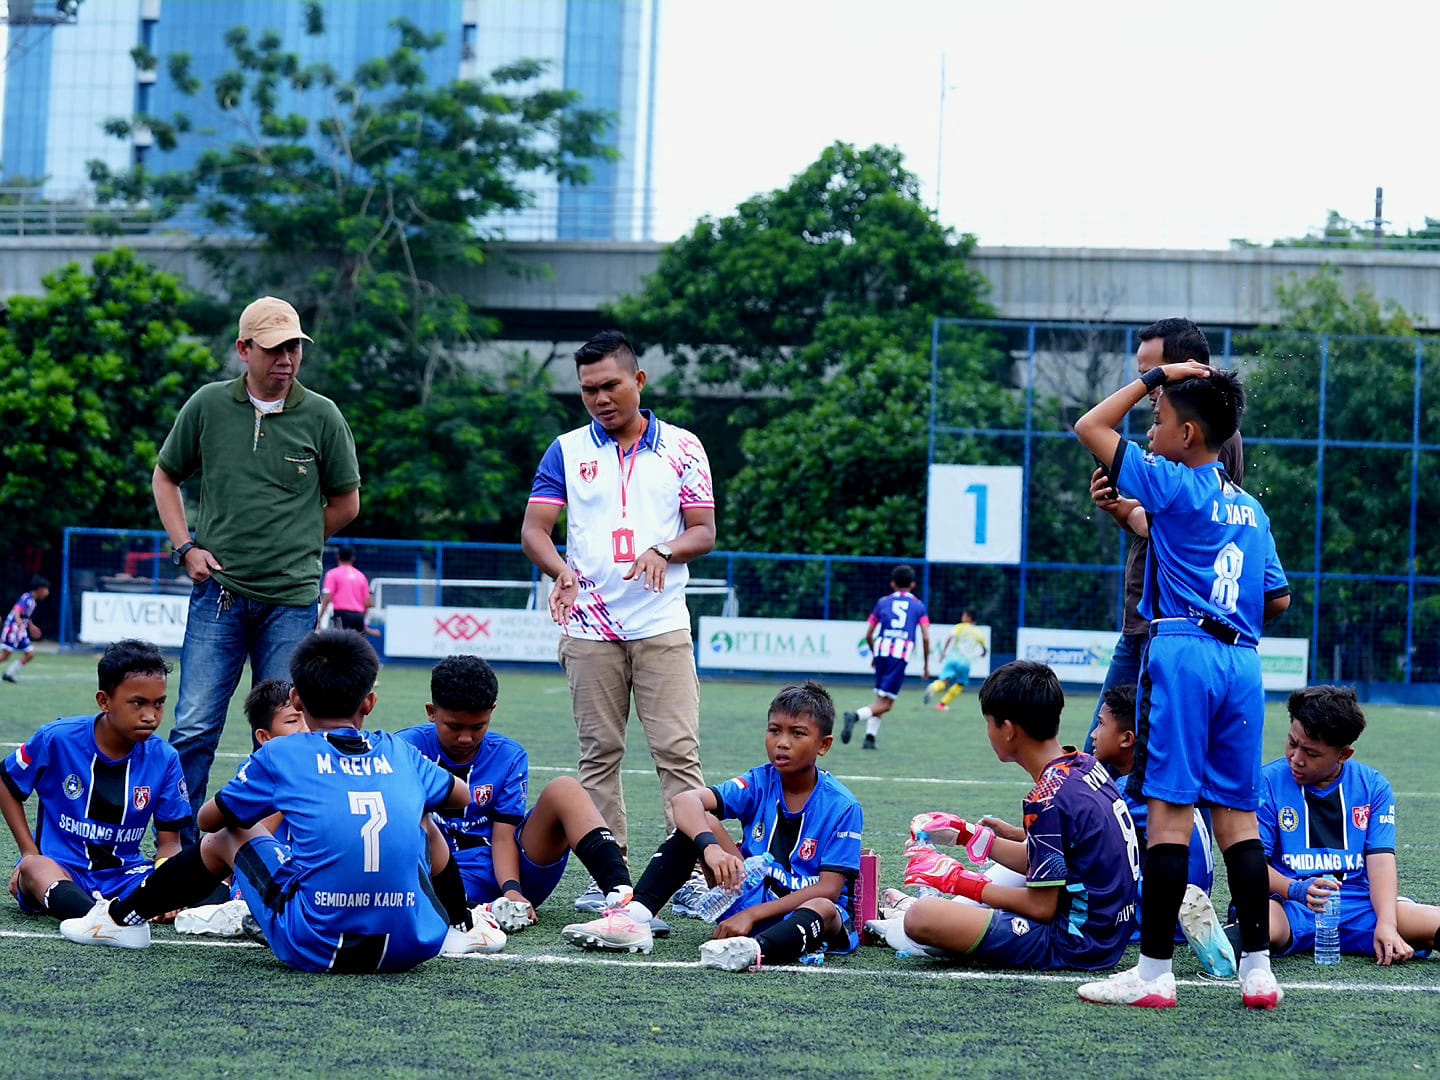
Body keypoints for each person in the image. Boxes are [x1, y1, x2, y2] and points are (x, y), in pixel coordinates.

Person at [59, 629, 504, 968]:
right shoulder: (401, 750)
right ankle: (460, 926)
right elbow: (460, 797)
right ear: (368, 703)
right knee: (425, 823)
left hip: (317, 945)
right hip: (413, 943)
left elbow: (212, 820)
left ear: (295, 697)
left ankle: (121, 920)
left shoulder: (282, 753)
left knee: (231, 835)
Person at [1073, 354, 1291, 1010]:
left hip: (1184, 653)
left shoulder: (1170, 480)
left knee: (1167, 816)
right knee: (1237, 821)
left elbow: (1089, 425)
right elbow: (1277, 598)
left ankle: (1153, 974)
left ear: (1189, 435)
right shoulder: (1251, 508)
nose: (1150, 430)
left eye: (1159, 419)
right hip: (1243, 661)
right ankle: (1258, 972)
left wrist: (1154, 378)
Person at [520, 328, 716, 910]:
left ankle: (691, 873)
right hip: (588, 629)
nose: (601, 399)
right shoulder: (566, 449)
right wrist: (561, 571)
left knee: (678, 756)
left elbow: (703, 530)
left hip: (661, 625)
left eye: (610, 385)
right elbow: (535, 530)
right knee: (598, 756)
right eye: (588, 390)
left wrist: (665, 551)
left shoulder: (683, 446)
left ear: (638, 381)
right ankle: (612, 874)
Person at [153, 296, 361, 839]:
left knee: (284, 731)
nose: (286, 358)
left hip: (291, 600)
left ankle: (270, 849)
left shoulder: (323, 414)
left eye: (294, 346)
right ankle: (178, 847)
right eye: (273, 348)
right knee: (194, 725)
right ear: (244, 349)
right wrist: (185, 547)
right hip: (217, 595)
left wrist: (294, 542)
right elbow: (165, 476)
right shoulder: (206, 405)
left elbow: (346, 502)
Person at [560, 681, 864, 971]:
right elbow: (684, 802)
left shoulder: (842, 805)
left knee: (823, 905)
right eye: (774, 731)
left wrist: (750, 915)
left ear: (823, 745)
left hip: (811, 916)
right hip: (754, 897)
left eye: (797, 734)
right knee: (698, 822)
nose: (782, 743)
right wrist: (711, 848)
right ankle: (635, 919)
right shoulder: (760, 781)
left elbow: (829, 888)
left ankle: (755, 951)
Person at [865, 661, 1139, 972]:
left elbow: (1042, 907)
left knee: (923, 918)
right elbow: (1046, 860)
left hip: (1077, 943)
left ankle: (906, 922)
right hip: (1108, 931)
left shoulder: (1047, 799)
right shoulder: (1083, 764)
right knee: (970, 898)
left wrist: (958, 880)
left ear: (1008, 731)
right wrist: (970, 835)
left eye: (989, 722)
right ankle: (929, 913)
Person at [395, 654, 656, 937]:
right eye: (455, 727)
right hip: (439, 878)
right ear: (431, 712)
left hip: (510, 875)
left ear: (492, 712)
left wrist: (512, 891)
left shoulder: (508, 754)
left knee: (565, 789)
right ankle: (471, 911)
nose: (466, 738)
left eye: (478, 726)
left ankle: (625, 901)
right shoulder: (404, 749)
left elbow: (504, 835)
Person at [1086, 318, 1244, 754]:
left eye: (1151, 372)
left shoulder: (1213, 437)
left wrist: (1127, 510)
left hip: (1168, 628)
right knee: (1121, 752)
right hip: (1147, 622)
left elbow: (1180, 530)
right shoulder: (1171, 427)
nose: (1145, 383)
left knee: (1108, 752)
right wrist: (1120, 508)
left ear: (1181, 369)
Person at [2, 639, 190, 924]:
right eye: (138, 703)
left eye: (159, 704)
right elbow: (5, 782)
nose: (151, 716)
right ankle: (103, 917)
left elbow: (169, 844)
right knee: (34, 868)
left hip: (126, 876)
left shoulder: (165, 758)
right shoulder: (57, 738)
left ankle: (111, 915)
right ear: (104, 701)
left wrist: (165, 883)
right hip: (62, 871)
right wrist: (28, 850)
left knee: (204, 874)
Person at [1252, 685, 1439, 965]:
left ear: (1344, 755)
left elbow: (1381, 861)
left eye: (1312, 754)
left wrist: (1387, 923)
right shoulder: (1266, 782)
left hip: (1360, 906)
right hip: (1288, 904)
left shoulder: (1372, 786)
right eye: (1292, 743)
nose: (1296, 758)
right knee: (1257, 927)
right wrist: (1296, 889)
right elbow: (1251, 866)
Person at [1088, 683, 1234, 977]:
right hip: (1188, 897)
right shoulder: (1164, 780)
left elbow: (1072, 842)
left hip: (1164, 913)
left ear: (1127, 739)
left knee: (1068, 884)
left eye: (1100, 724)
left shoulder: (1130, 791)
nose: (1092, 734)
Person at [172, 678, 307, 937]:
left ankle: (250, 914)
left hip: (309, 872)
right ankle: (245, 911)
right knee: (227, 841)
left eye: (307, 720)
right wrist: (285, 793)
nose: (304, 730)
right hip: (268, 872)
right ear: (264, 737)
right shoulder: (257, 773)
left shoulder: (324, 766)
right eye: (292, 721)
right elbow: (243, 834)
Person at [841, 564, 931, 750]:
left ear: (892, 584)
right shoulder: (919, 605)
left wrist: (875, 654)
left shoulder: (882, 602)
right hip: (899, 654)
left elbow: (868, 634)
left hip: (882, 649)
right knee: (887, 704)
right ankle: (855, 715)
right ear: (913, 585)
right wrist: (926, 665)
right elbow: (925, 636)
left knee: (881, 697)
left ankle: (870, 738)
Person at [923, 609, 987, 712]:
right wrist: (982, 654)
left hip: (952, 658)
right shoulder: (978, 633)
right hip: (965, 662)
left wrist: (944, 653)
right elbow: (985, 650)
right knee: (960, 684)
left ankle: (933, 688)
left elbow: (950, 638)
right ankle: (942, 704)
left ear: (969, 618)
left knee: (944, 681)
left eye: (965, 615)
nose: (963, 616)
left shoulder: (959, 627)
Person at [0, 576, 51, 684]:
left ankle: (9, 674)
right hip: (13, 629)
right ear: (40, 589)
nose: (47, 592)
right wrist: (18, 622)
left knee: (30, 654)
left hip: (20, 630)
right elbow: (17, 610)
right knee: (5, 656)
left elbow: (26, 616)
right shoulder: (27, 598)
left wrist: (31, 626)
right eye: (46, 590)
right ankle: (8, 674)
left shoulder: (32, 601)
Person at [318, 546, 371, 633]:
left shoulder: (332, 574)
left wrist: (320, 619)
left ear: (337, 557)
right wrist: (363, 619)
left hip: (341, 615)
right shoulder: (361, 576)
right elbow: (367, 602)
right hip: (358, 616)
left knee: (341, 645)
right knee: (357, 645)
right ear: (353, 558)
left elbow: (327, 598)